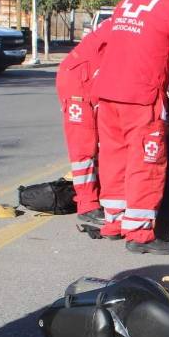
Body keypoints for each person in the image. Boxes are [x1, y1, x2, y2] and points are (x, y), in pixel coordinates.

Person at [90, 0, 169, 255]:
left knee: (115, 157)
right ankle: (139, 233)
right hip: (142, 97)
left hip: (109, 94)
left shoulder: (128, 0)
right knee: (146, 162)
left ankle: (114, 222)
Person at [57, 19, 111, 230]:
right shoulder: (131, 24)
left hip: (90, 78)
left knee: (99, 143)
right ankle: (87, 205)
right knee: (84, 147)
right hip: (78, 81)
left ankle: (96, 196)